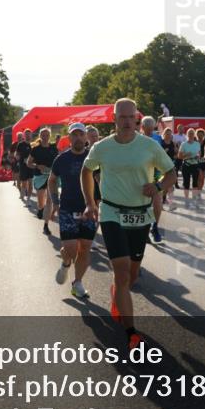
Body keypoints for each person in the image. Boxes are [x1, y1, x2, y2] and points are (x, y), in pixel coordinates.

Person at [82, 98, 177, 349]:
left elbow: (172, 173)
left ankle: (118, 295)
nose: (126, 122)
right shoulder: (102, 147)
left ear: (136, 118)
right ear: (114, 118)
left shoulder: (149, 146)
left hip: (140, 215)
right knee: (122, 272)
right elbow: (86, 170)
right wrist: (91, 202)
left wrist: (157, 186)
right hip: (111, 212)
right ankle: (131, 332)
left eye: (130, 117)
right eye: (121, 117)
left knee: (131, 275)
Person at [50, 123, 97, 300]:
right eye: (74, 135)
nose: (78, 138)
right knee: (71, 249)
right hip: (68, 208)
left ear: (86, 137)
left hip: (89, 209)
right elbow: (52, 180)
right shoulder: (61, 159)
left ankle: (77, 283)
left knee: (85, 248)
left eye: (81, 135)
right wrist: (55, 202)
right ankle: (66, 262)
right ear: (69, 138)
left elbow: (102, 180)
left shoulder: (93, 158)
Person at [140, 116, 167, 242]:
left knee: (157, 203)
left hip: (156, 173)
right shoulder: (136, 139)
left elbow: (161, 156)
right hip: (141, 174)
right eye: (148, 129)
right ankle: (144, 229)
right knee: (144, 204)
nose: (150, 132)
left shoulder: (157, 138)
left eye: (152, 129)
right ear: (142, 128)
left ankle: (155, 227)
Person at [28, 128, 59, 234]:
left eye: (47, 135)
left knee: (49, 201)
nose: (45, 137)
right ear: (40, 136)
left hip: (51, 177)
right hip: (39, 176)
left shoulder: (54, 148)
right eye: (43, 135)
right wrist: (38, 166)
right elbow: (29, 163)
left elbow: (58, 161)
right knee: (41, 201)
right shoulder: (36, 149)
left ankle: (46, 226)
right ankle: (40, 209)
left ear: (50, 136)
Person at [179, 128, 203, 209]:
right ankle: (186, 201)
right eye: (189, 134)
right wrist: (187, 155)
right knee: (186, 183)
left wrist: (197, 156)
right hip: (186, 165)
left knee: (195, 184)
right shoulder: (183, 144)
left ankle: (194, 201)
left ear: (194, 135)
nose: (191, 135)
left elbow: (199, 154)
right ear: (187, 135)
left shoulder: (197, 144)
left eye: (192, 134)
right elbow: (180, 156)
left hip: (195, 165)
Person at [161, 128, 179, 212]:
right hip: (162, 166)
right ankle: (161, 202)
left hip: (171, 165)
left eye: (170, 134)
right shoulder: (161, 143)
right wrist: (164, 151)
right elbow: (158, 154)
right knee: (166, 186)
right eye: (167, 133)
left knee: (170, 185)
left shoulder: (172, 143)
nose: (168, 135)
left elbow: (176, 154)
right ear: (164, 134)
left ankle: (171, 204)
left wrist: (176, 151)